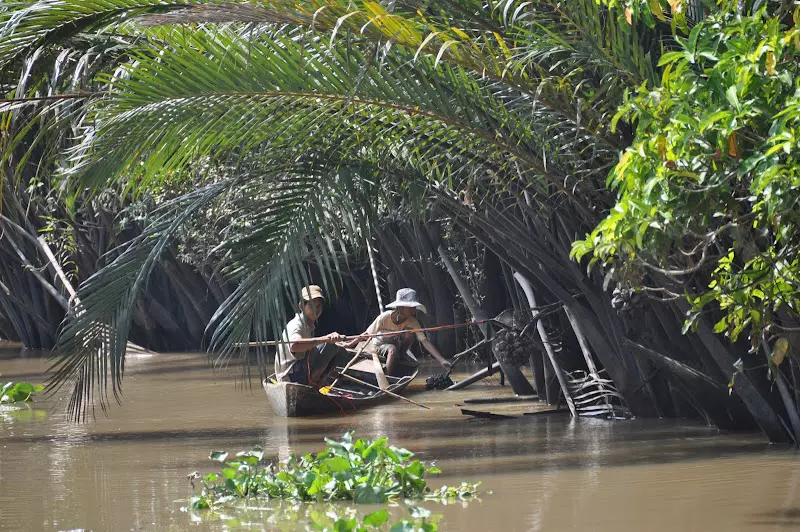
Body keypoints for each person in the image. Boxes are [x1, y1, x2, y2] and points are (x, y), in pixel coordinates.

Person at [347, 288, 452, 376]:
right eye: (411, 307)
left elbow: (425, 342)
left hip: (396, 344)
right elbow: (367, 334)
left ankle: (401, 355)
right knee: (392, 350)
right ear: (401, 307)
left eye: (414, 307)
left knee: (410, 335)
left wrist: (442, 360)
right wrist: (350, 344)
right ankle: (386, 377)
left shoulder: (412, 321)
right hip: (380, 345)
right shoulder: (384, 317)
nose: (414, 310)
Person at [275, 285, 350, 385]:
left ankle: (320, 379)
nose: (316, 310)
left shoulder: (309, 325)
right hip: (290, 376)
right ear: (301, 306)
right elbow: (294, 345)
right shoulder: (296, 325)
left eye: (318, 306)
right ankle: (312, 384)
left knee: (339, 348)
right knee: (330, 345)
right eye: (311, 306)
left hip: (299, 369)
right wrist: (326, 339)